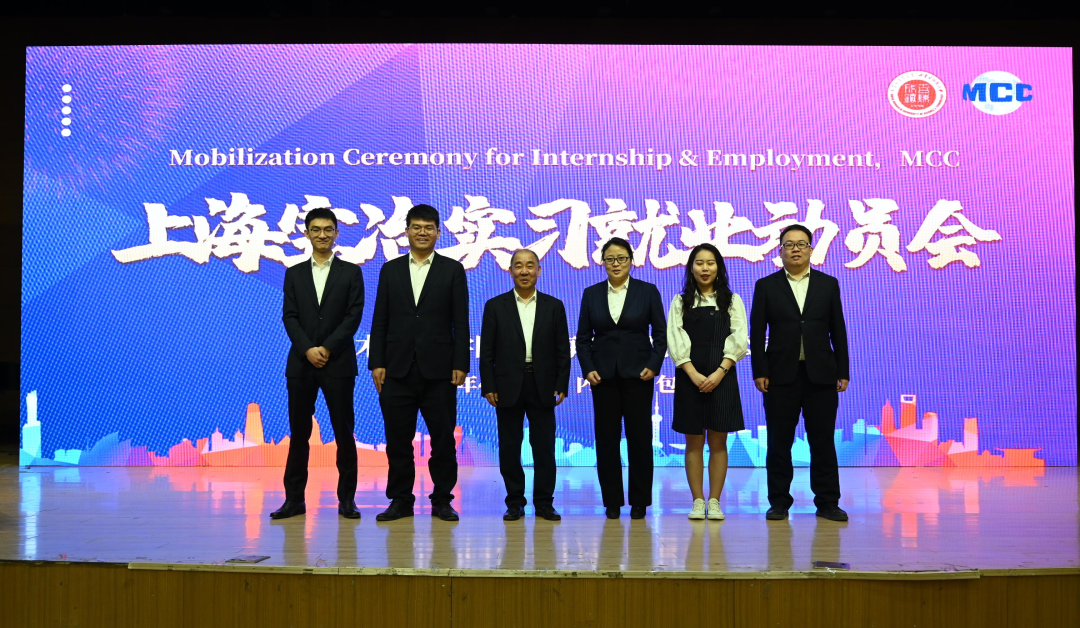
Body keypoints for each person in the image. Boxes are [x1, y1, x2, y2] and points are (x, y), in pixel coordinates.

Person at [369, 204, 469, 522]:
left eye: (428, 227)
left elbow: (460, 321)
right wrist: (376, 361)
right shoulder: (391, 270)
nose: (422, 232)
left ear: (438, 232)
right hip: (396, 368)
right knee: (398, 440)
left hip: (439, 370)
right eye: (416, 226)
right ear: (407, 231)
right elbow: (380, 319)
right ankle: (400, 500)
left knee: (443, 440)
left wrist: (461, 362)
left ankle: (442, 500)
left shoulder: (452, 270)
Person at [750, 224, 850, 522]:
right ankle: (779, 502)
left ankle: (828, 502)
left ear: (810, 249)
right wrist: (759, 371)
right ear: (780, 250)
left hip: (821, 374)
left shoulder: (828, 284)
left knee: (823, 441)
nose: (795, 249)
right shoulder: (766, 286)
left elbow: (838, 330)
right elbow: (757, 332)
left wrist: (843, 370)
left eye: (801, 244)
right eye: (789, 244)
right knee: (779, 442)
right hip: (780, 375)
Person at [272, 207, 365, 520]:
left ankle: (347, 499)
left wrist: (326, 348)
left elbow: (353, 316)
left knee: (344, 434)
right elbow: (289, 317)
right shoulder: (294, 273)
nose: (322, 235)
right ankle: (294, 500)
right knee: (299, 435)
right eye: (316, 229)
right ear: (307, 233)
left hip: (338, 363)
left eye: (328, 229)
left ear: (337, 233)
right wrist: (308, 349)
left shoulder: (351, 272)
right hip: (301, 364)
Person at [576, 237, 667, 519]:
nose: (616, 264)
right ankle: (612, 501)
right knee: (606, 440)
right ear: (603, 262)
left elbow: (661, 334)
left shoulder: (647, 291)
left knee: (640, 439)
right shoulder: (591, 293)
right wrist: (587, 368)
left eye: (621, 258)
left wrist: (654, 365)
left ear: (631, 260)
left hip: (639, 375)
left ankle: (640, 501)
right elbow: (583, 338)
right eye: (610, 259)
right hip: (602, 377)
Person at [480, 249, 571, 522]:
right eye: (518, 266)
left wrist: (561, 383)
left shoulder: (554, 306)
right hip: (507, 385)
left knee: (544, 447)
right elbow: (487, 352)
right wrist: (488, 385)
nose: (524, 271)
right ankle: (514, 502)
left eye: (530, 266)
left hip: (542, 384)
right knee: (509, 447)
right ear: (510, 271)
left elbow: (562, 350)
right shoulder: (495, 306)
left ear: (539, 271)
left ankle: (544, 503)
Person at [667, 243, 747, 521]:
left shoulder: (732, 300)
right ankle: (697, 500)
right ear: (691, 268)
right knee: (693, 442)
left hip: (722, 377)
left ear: (718, 267)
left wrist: (720, 372)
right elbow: (675, 338)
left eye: (710, 263)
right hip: (690, 377)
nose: (705, 268)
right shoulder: (681, 302)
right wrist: (692, 373)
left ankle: (714, 501)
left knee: (718, 442)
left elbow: (739, 338)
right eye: (699, 263)